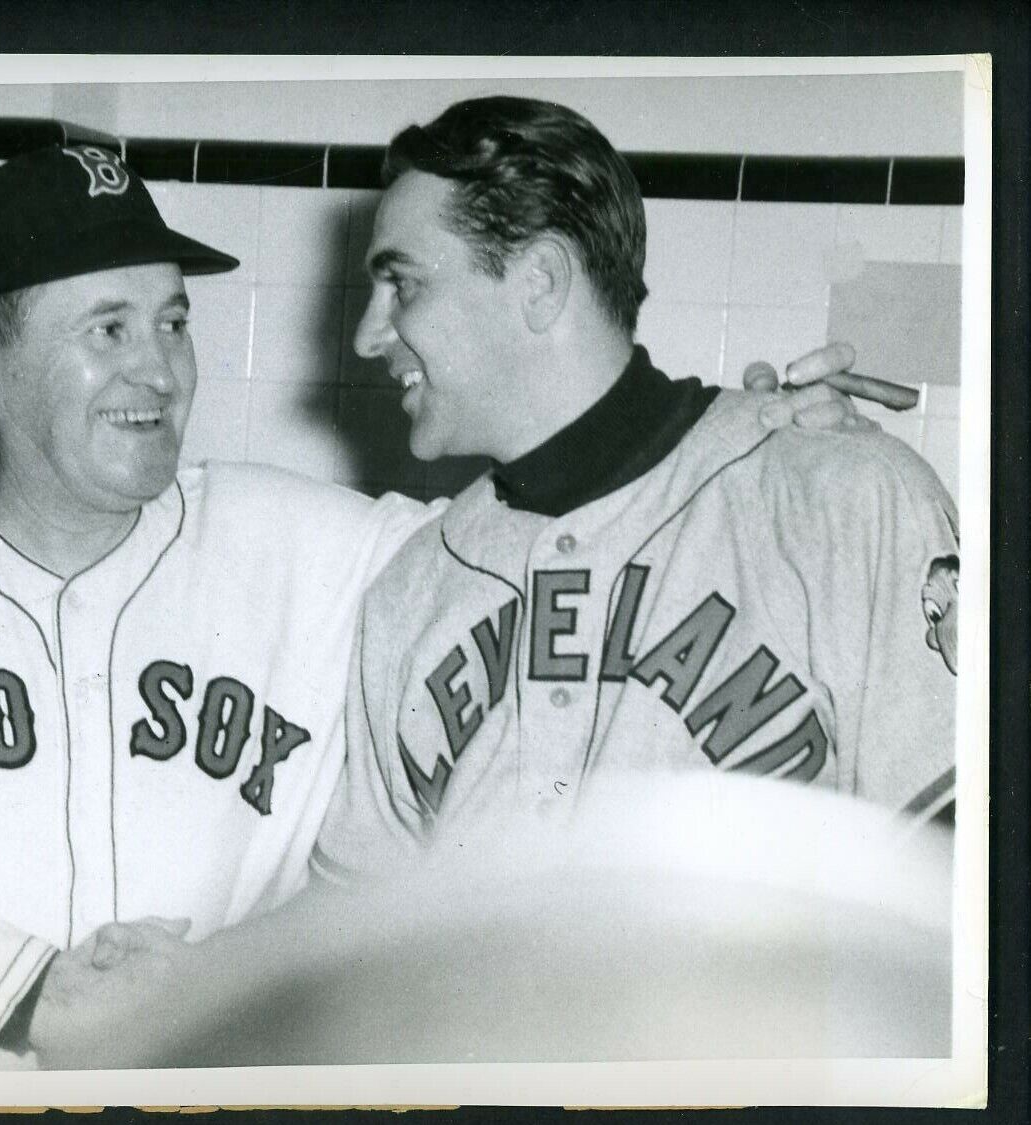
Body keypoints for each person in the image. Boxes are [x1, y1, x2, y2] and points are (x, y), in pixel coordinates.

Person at [0, 140, 891, 1074]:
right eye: (107, 328)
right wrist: (35, 990)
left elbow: (576, 522)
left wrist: (741, 442)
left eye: (172, 320)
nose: (158, 368)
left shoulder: (318, 543)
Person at [312, 97, 960, 883]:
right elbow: (355, 947)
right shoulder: (411, 591)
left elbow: (963, 903)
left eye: (402, 285)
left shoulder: (843, 498)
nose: (367, 334)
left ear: (540, 282)